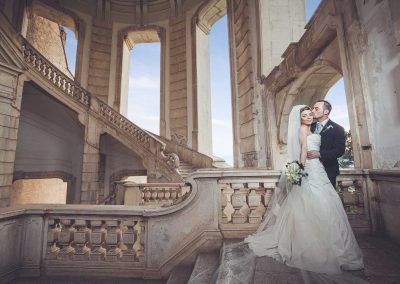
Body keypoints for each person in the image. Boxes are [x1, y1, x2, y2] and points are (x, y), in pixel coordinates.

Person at [243, 105, 364, 277]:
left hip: (321, 169)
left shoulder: (325, 128)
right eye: (306, 114)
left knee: (328, 205)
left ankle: (335, 247)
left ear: (325, 112)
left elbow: (337, 150)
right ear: (300, 118)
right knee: (315, 205)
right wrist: (300, 168)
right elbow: (303, 150)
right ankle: (317, 247)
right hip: (310, 169)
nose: (310, 115)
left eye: (312, 112)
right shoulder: (303, 129)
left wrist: (318, 156)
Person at [308, 100, 345, 188]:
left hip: (329, 170)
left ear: (326, 111)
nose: (312, 111)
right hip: (310, 169)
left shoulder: (338, 129)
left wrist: (320, 154)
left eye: (316, 109)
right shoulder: (309, 126)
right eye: (313, 108)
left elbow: (339, 150)